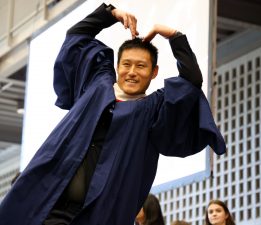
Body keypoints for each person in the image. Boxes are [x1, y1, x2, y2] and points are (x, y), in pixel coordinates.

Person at [0, 2, 226, 225]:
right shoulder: (97, 84)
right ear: (117, 66)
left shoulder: (153, 108)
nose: (132, 72)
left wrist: (174, 36)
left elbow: (191, 82)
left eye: (141, 66)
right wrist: (109, 14)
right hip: (47, 203)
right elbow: (76, 37)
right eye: (126, 64)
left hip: (99, 213)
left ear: (154, 72)